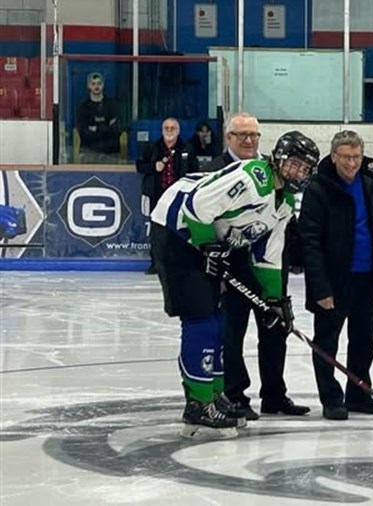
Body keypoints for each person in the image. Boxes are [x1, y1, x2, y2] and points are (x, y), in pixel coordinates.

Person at [149, 130, 319, 438]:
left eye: (304, 168)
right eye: (292, 163)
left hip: (207, 240)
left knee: (216, 321)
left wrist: (273, 300)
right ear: (277, 159)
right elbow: (197, 204)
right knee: (200, 319)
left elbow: (268, 256)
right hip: (176, 232)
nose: (297, 172)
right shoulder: (254, 177)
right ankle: (198, 405)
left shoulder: (284, 204)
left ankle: (213, 395)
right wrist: (206, 246)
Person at [205, 113, 309, 420]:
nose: (249, 140)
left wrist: (296, 257)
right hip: (232, 272)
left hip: (269, 267)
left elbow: (284, 218)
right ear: (229, 138)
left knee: (275, 330)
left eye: (254, 134)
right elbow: (207, 221)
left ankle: (274, 395)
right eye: (242, 135)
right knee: (232, 335)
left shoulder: (273, 169)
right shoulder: (214, 171)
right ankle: (235, 395)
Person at [298, 130, 373, 420]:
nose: (351, 163)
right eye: (345, 157)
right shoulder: (318, 189)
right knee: (327, 341)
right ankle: (331, 399)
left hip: (368, 277)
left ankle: (358, 393)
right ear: (333, 157)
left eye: (356, 157)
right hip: (333, 281)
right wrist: (320, 288)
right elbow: (310, 240)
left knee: (365, 339)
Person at [136, 118, 199, 275]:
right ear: (162, 130)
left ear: (178, 131)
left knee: (180, 230)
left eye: (173, 128)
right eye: (166, 127)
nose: (169, 130)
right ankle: (156, 264)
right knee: (157, 231)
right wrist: (153, 167)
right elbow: (140, 166)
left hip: (179, 197)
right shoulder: (152, 148)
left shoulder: (187, 148)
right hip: (157, 195)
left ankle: (179, 263)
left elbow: (194, 171)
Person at [75, 72, 121, 164]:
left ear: (103, 85)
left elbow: (117, 130)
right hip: (89, 152)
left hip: (111, 153)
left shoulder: (112, 105)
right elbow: (83, 133)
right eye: (93, 84)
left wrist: (95, 128)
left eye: (99, 83)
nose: (96, 86)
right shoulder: (83, 108)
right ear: (88, 86)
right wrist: (106, 127)